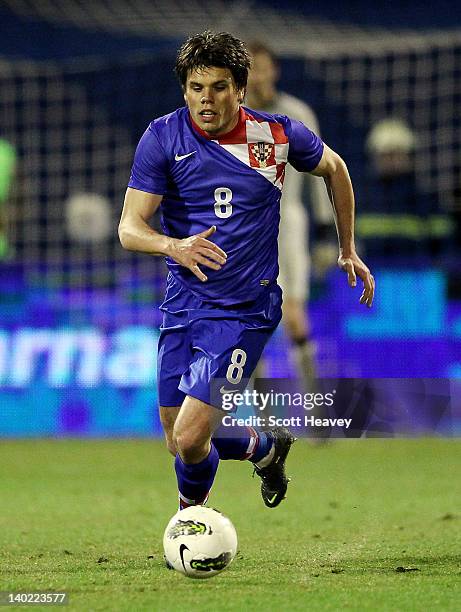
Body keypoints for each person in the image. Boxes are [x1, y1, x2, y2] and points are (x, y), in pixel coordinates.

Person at [118, 31, 374, 514]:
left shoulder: (276, 135)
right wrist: (173, 245)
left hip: (244, 310)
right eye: (196, 88)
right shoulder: (162, 136)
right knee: (178, 440)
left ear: (241, 88)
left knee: (194, 437)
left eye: (218, 87)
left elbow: (335, 169)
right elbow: (130, 228)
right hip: (183, 304)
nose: (206, 100)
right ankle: (265, 447)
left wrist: (347, 248)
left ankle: (190, 523)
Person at [246, 41, 336, 390]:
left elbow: (323, 172)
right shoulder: (233, 118)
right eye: (250, 67)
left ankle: (314, 403)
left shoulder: (297, 114)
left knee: (295, 318)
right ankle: (266, 417)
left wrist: (327, 231)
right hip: (245, 231)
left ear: (274, 70)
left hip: (288, 225)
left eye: (262, 66)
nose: (257, 74)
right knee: (253, 323)